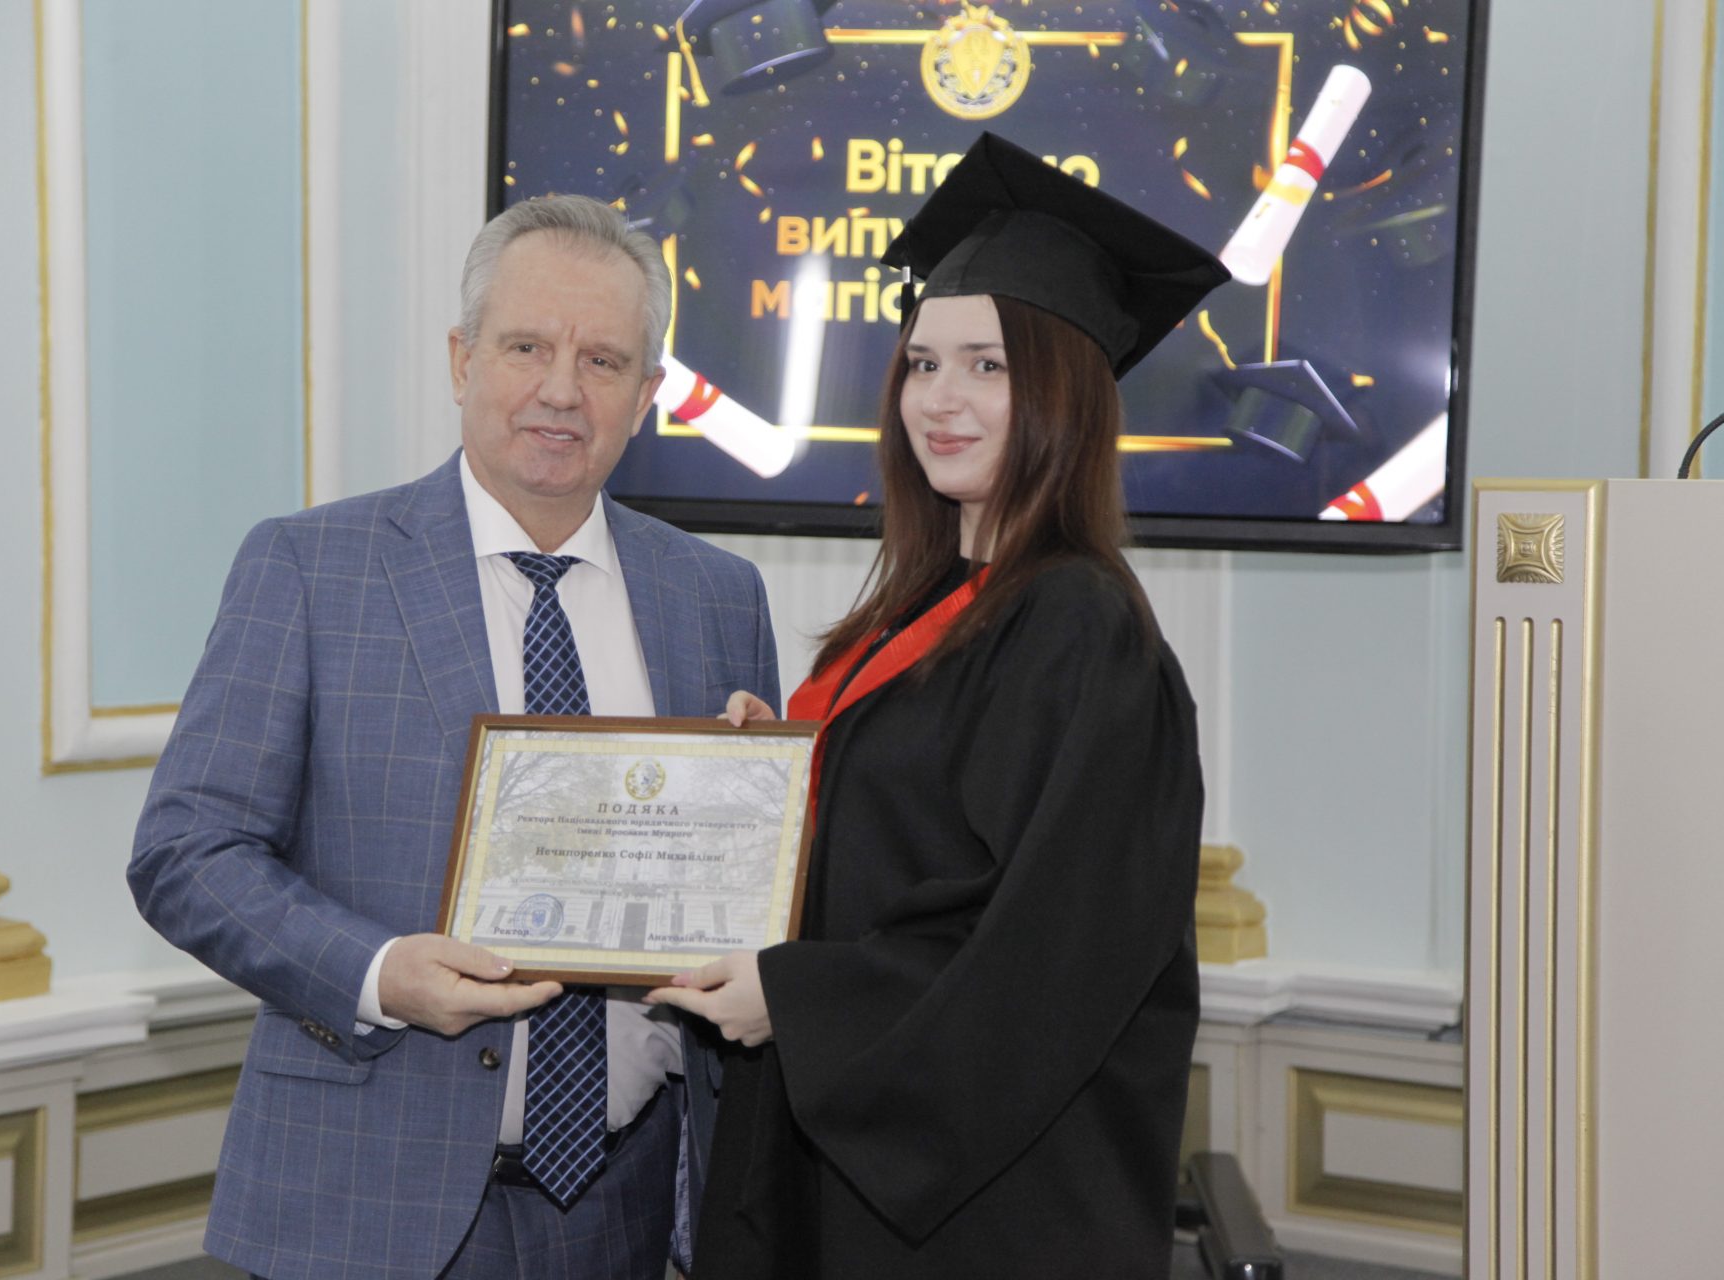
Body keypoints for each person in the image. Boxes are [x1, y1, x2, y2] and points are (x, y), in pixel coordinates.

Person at [129, 194, 779, 1280]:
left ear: (646, 396)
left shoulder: (716, 596)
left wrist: (759, 812)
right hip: (367, 1201)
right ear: (461, 358)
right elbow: (184, 853)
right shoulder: (310, 568)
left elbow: (745, 911)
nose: (562, 389)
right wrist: (380, 972)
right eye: (526, 347)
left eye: (604, 360)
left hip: (627, 1205)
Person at [646, 132, 1230, 1276]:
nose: (940, 399)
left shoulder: (1081, 630)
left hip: (990, 1214)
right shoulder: (920, 608)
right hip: (854, 1178)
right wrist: (778, 775)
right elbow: (903, 841)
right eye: (920, 363)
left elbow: (1043, 952)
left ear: (1063, 391)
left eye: (987, 366)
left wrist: (800, 1000)